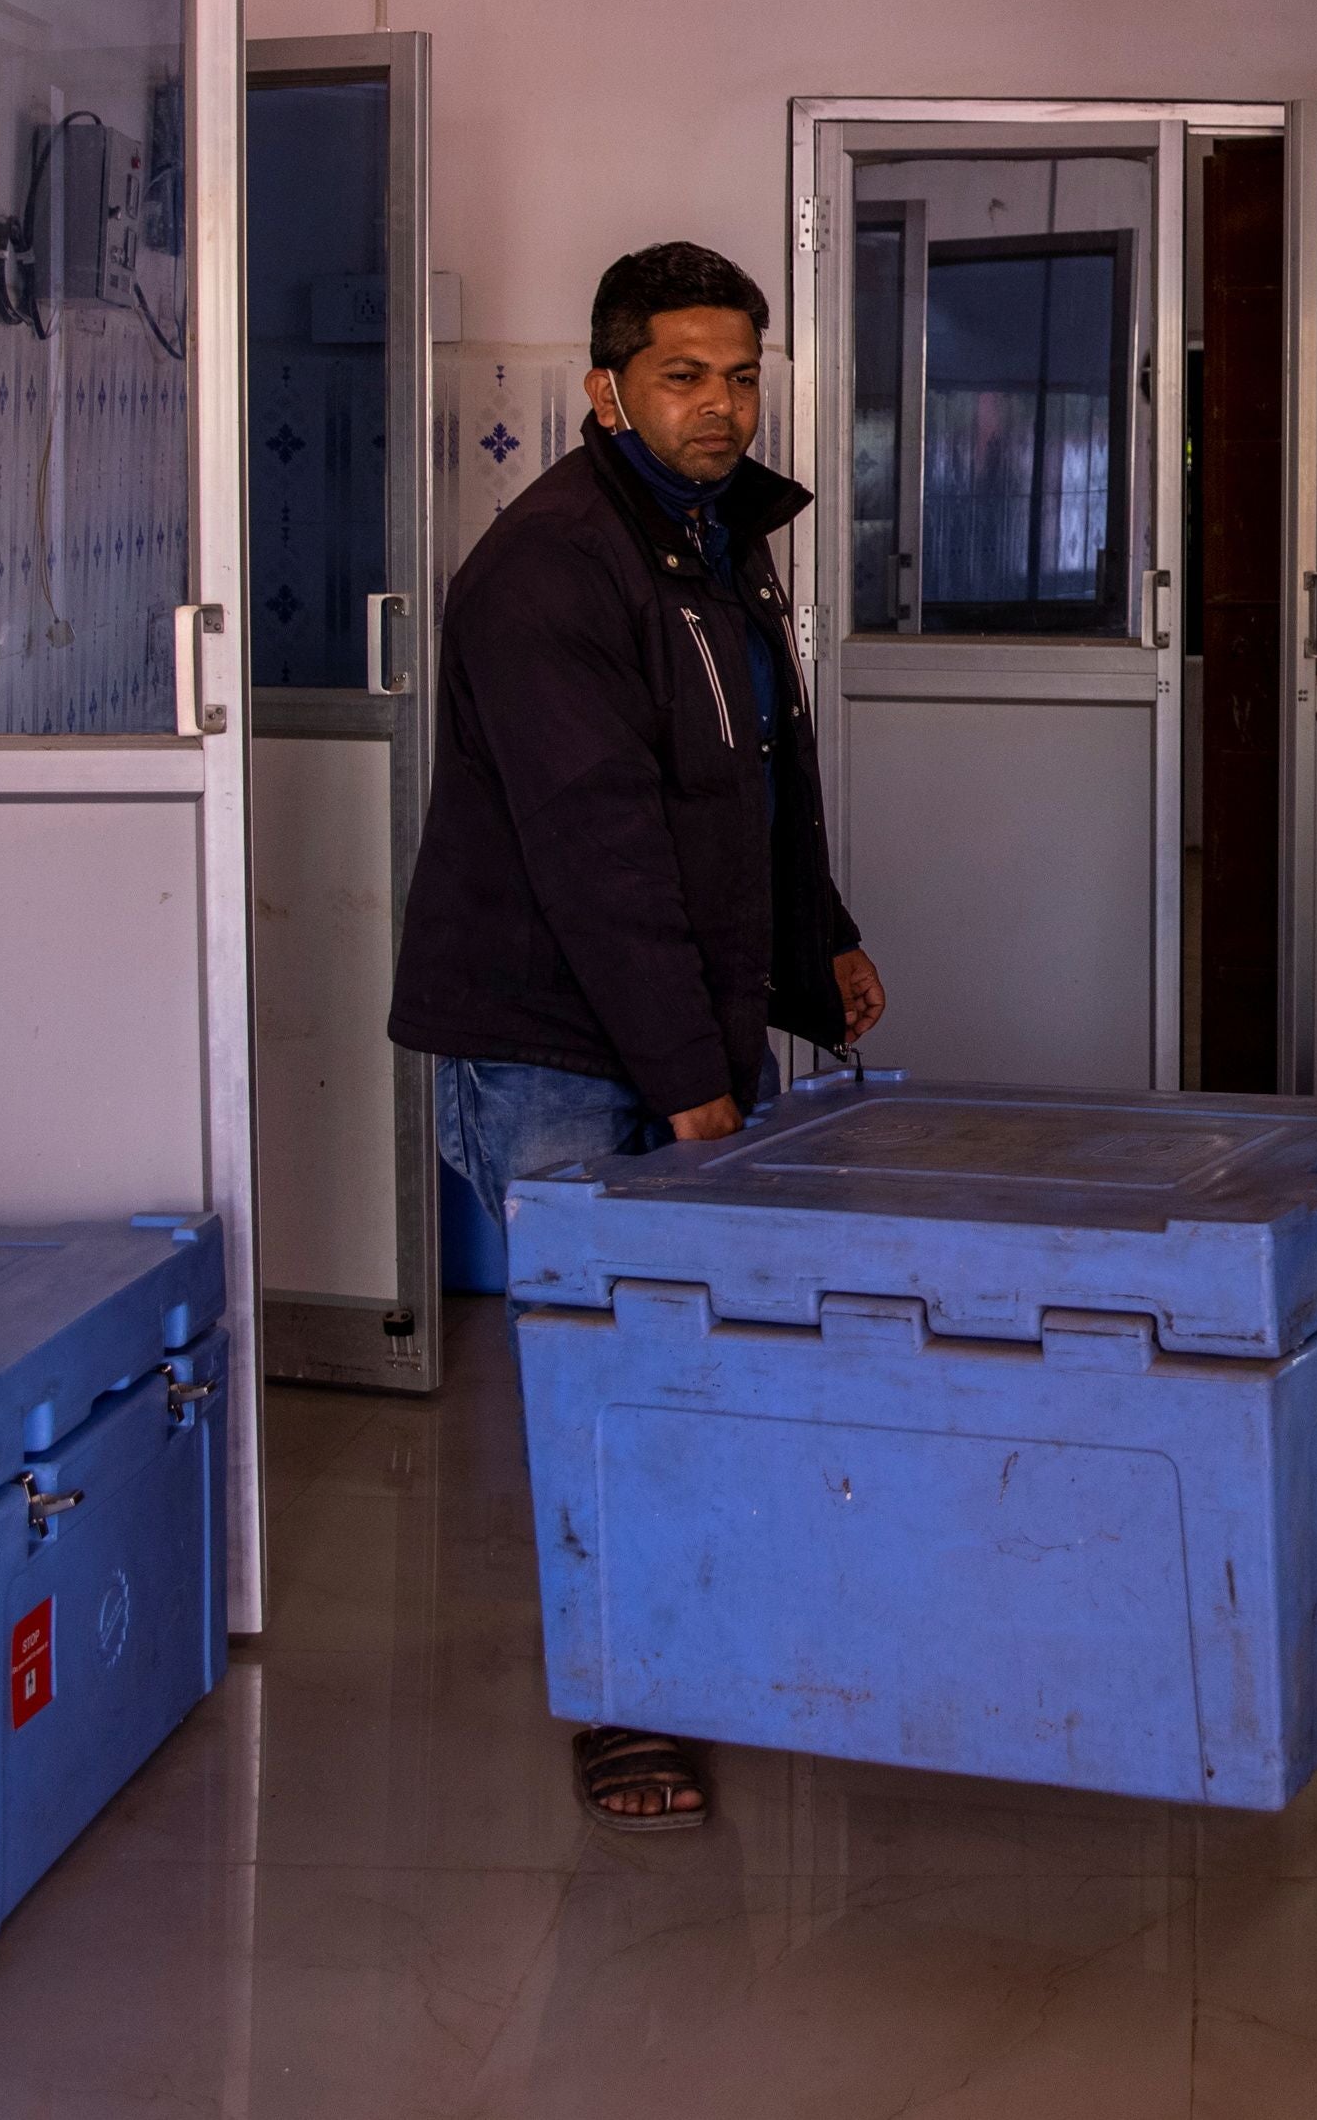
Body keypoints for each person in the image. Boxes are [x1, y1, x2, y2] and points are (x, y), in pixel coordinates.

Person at [390, 240, 884, 1829]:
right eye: (685, 374)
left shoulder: (709, 540)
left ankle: (691, 1639)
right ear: (604, 388)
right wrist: (693, 1088)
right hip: (554, 1044)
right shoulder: (549, 570)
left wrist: (821, 938)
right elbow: (600, 853)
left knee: (684, 1359)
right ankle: (623, 1705)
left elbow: (755, 774)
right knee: (607, 1380)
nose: (721, 404)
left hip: (673, 1015)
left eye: (741, 374)